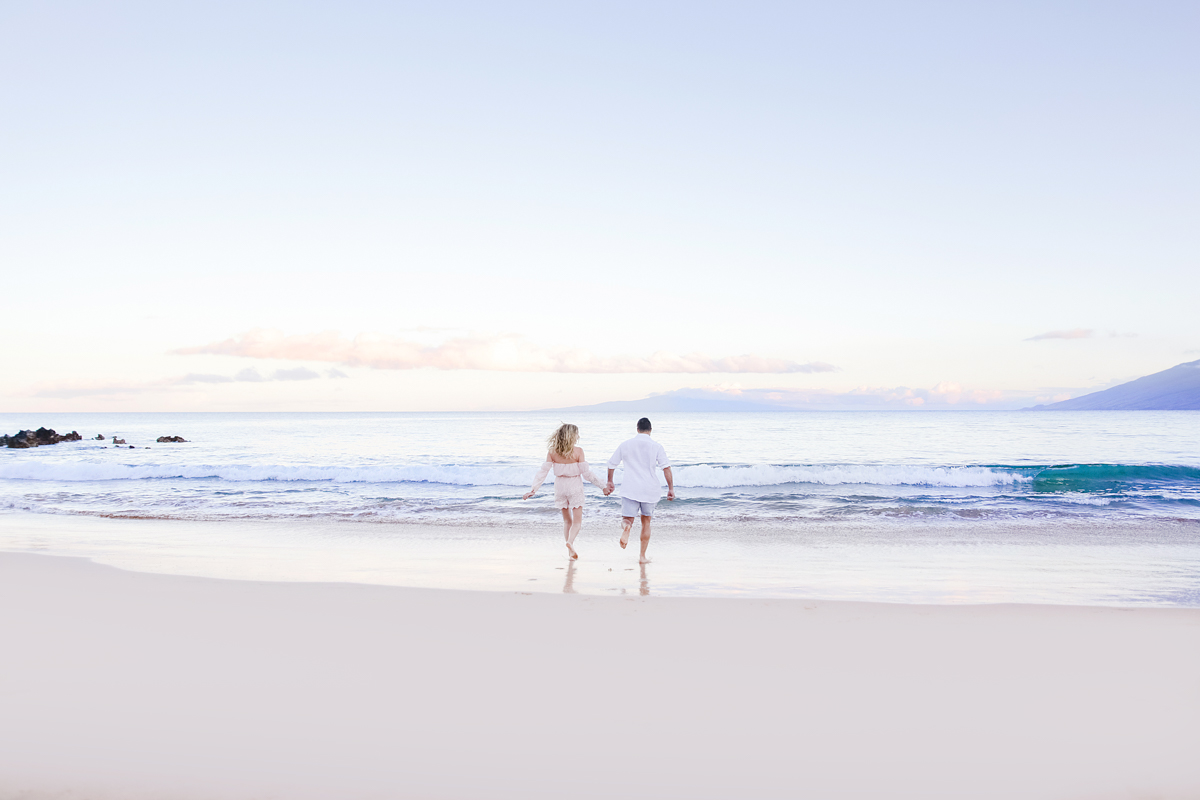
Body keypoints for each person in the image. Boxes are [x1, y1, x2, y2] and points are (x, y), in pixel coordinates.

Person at [522, 423, 610, 559]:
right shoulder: (578, 451)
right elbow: (587, 474)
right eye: (576, 435)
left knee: (567, 521)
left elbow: (543, 472)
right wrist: (602, 486)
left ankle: (570, 552)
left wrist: (533, 489)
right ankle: (570, 542)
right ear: (572, 436)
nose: (578, 437)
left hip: (560, 487)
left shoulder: (552, 451)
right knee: (577, 522)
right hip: (574, 485)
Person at [606, 417, 675, 564]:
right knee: (646, 522)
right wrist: (671, 489)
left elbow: (611, 464)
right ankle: (642, 557)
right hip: (649, 490)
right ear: (650, 430)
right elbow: (666, 468)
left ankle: (627, 528)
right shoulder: (656, 446)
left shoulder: (625, 444)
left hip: (630, 488)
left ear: (637, 429)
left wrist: (610, 481)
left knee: (627, 520)